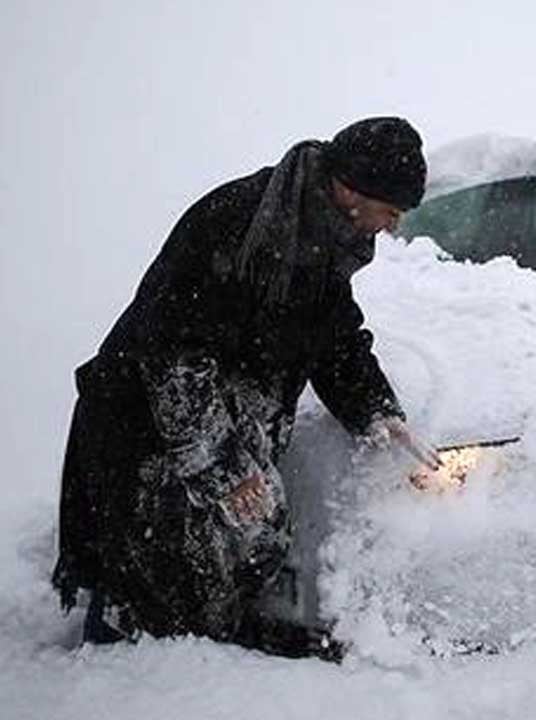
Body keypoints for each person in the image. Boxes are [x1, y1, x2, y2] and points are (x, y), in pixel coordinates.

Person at [51, 116, 440, 656]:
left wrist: (377, 410)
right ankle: (120, 678)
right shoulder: (237, 223)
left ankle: (231, 649)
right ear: (352, 191)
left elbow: (333, 337)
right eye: (391, 212)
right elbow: (174, 360)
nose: (392, 227)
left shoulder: (324, 239)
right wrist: (226, 467)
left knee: (246, 545)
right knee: (148, 585)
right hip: (149, 430)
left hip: (219, 422)